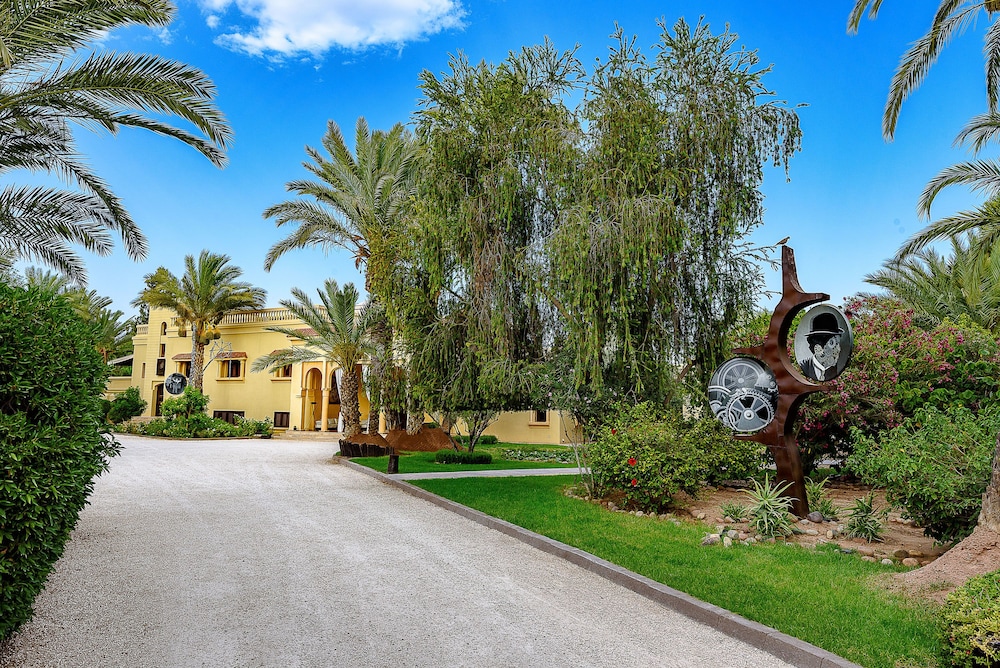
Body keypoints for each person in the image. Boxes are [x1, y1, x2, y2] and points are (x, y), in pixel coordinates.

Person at [799, 312, 843, 381]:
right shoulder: (802, 367)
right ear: (818, 348)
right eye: (832, 343)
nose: (838, 349)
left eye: (837, 343)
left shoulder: (838, 370)